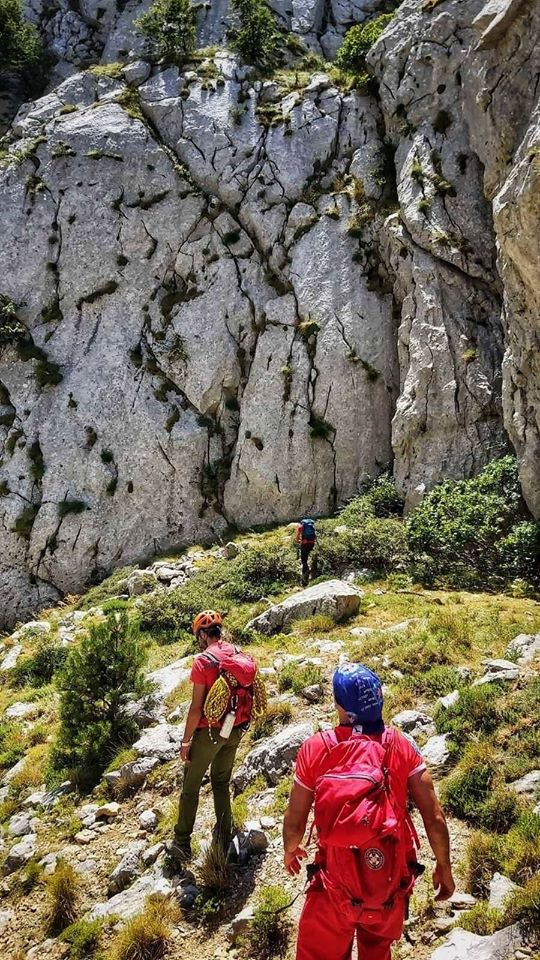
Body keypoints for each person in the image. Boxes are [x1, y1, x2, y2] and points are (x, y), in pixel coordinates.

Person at [283, 664, 455, 960]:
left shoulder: (316, 748)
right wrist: (444, 866)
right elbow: (434, 818)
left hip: (333, 880)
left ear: (339, 706)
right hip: (388, 878)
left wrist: (290, 849)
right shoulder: (401, 745)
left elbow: (295, 818)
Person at [168, 610, 258, 864]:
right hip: (237, 727)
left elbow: (196, 708)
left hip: (210, 731)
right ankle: (225, 835)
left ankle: (182, 843)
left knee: (191, 786)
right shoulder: (237, 651)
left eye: (199, 635)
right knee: (221, 780)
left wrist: (186, 742)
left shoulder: (203, 662)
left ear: (203, 635)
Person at [296, 517, 317, 586]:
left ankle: (305, 575)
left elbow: (297, 538)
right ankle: (314, 571)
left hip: (304, 544)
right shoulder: (312, 526)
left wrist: (300, 541)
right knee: (313, 557)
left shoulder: (300, 527)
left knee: (304, 560)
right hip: (312, 544)